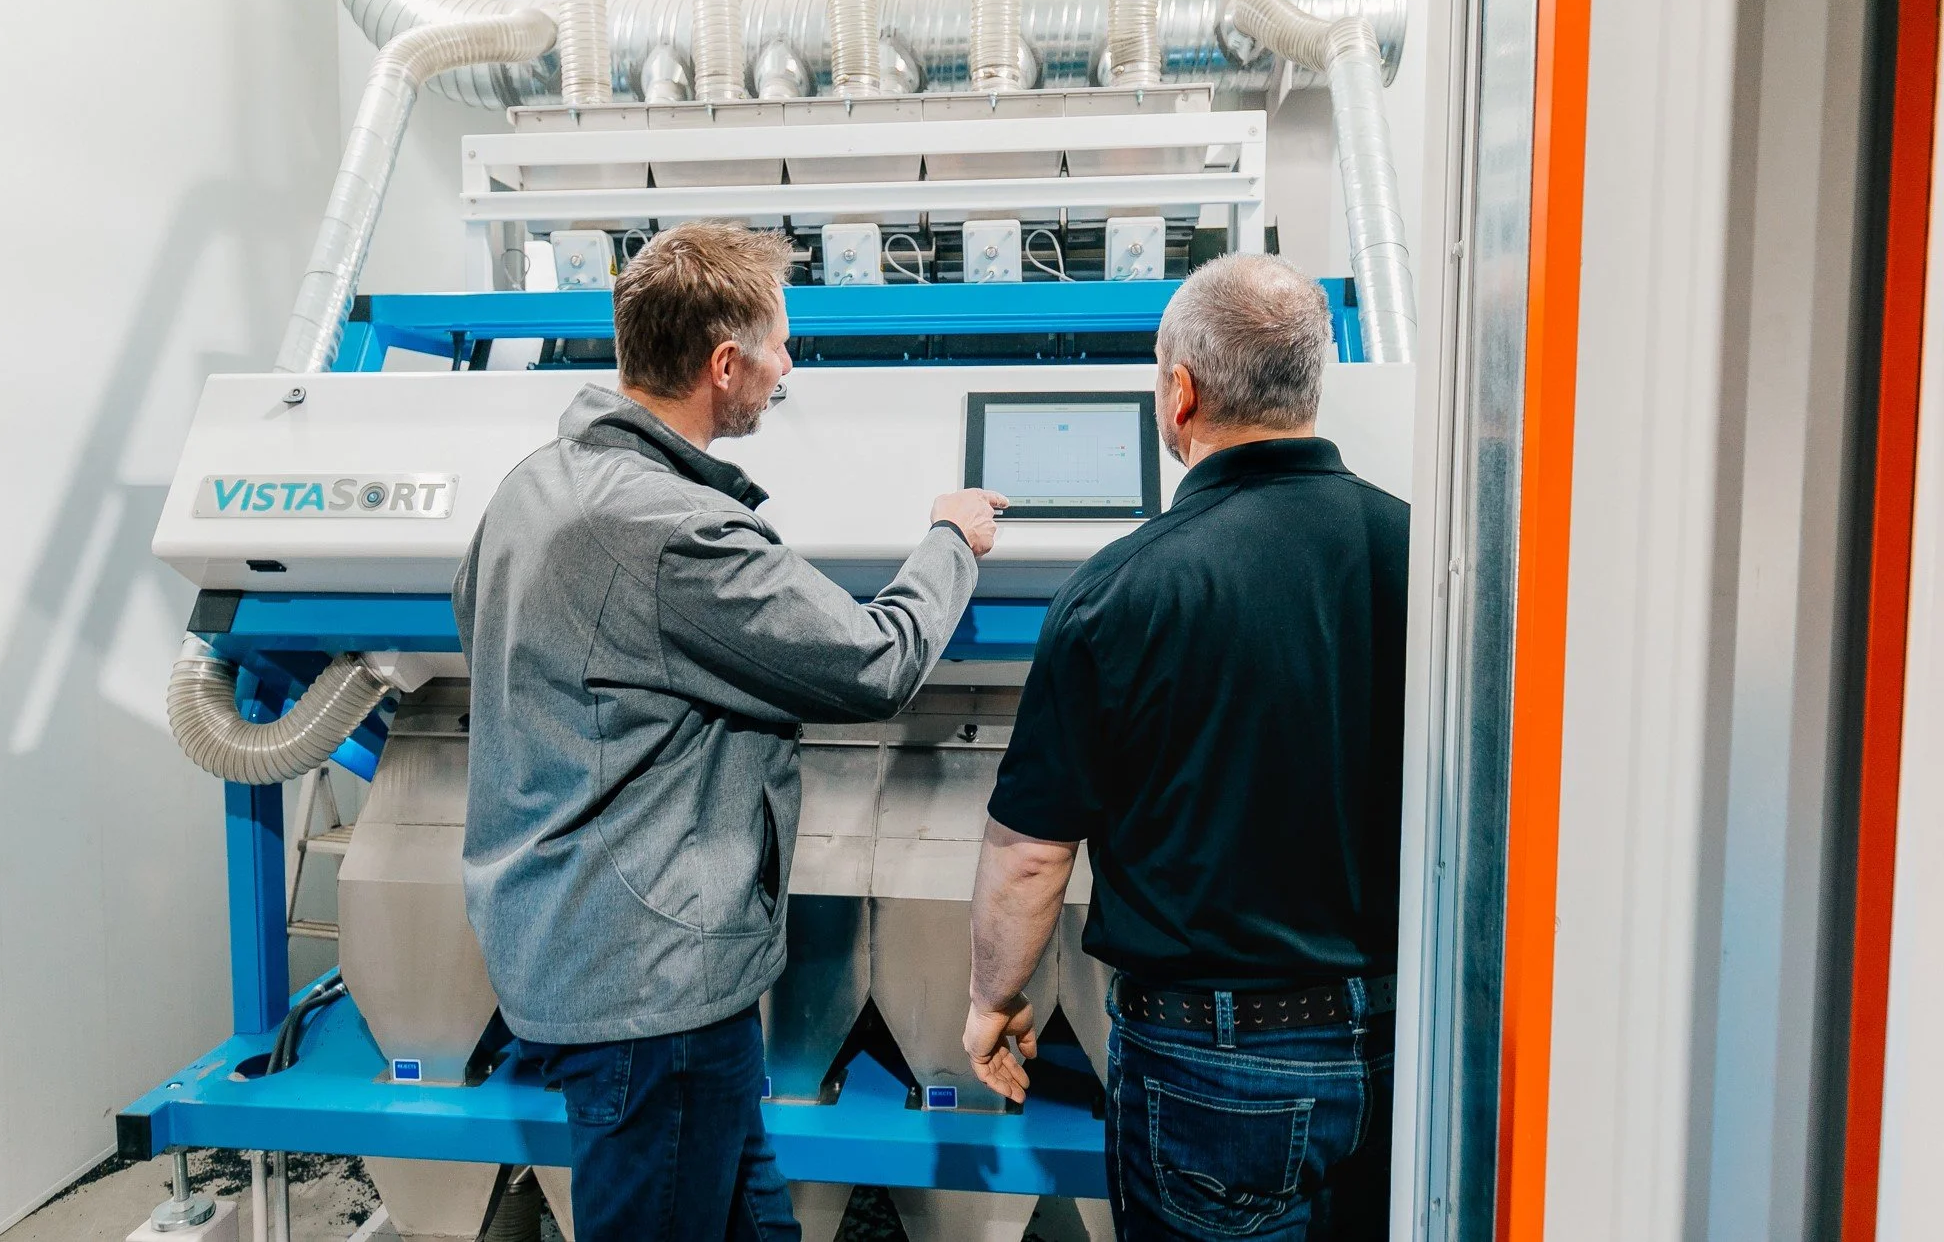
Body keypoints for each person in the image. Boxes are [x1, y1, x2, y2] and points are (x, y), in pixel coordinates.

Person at [454, 222, 1008, 1241]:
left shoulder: (532, 485)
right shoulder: (675, 528)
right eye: (780, 348)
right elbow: (872, 661)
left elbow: (486, 629)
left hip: (581, 941)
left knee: (751, 1219)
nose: (787, 367)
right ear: (723, 365)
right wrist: (949, 540)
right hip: (650, 988)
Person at [961, 254, 1407, 1240]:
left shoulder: (1123, 588)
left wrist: (990, 999)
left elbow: (1030, 853)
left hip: (1214, 1073)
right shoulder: (1420, 549)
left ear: (1180, 391)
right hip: (1401, 1047)